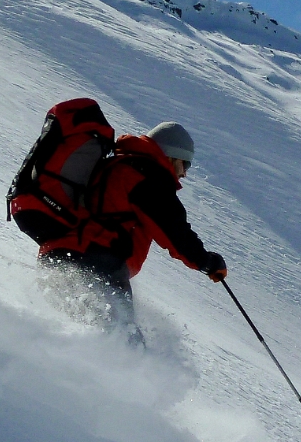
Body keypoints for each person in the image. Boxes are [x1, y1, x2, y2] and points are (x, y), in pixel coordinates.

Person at [39, 121, 226, 344]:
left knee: (74, 340)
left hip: (59, 257)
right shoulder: (148, 176)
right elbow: (173, 231)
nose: (184, 173)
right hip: (97, 262)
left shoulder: (117, 164)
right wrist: (207, 261)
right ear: (171, 156)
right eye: (185, 164)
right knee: (124, 348)